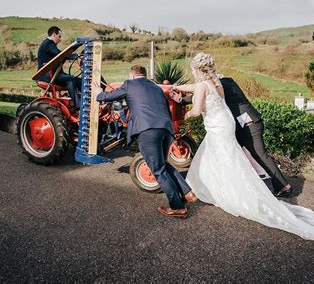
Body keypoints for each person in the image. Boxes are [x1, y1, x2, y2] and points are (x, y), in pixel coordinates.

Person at [172, 52, 314, 265]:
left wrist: (187, 111)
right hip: (227, 123)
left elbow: (197, 102)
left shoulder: (212, 83)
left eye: (193, 70)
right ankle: (224, 187)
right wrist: (175, 89)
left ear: (198, 70)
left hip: (235, 123)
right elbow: (198, 90)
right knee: (228, 158)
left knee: (249, 156)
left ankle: (270, 187)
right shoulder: (216, 82)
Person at [94, 65, 197, 219]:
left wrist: (98, 94)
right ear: (145, 74)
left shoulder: (129, 84)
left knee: (157, 170)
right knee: (163, 164)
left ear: (132, 75)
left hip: (148, 130)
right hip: (166, 129)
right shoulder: (156, 87)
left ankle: (178, 207)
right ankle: (188, 193)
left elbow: (107, 97)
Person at [171, 74, 292, 197]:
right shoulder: (222, 82)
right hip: (239, 126)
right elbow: (201, 93)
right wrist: (179, 93)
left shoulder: (220, 84)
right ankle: (233, 187)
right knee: (232, 156)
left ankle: (284, 186)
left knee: (260, 155)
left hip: (248, 124)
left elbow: (199, 92)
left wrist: (178, 95)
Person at [37, 26, 81, 108]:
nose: (60, 39)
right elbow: (59, 54)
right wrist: (74, 55)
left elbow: (60, 56)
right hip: (46, 76)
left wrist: (74, 56)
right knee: (70, 79)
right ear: (54, 34)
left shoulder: (49, 44)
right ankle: (79, 106)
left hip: (53, 74)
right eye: (59, 36)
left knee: (79, 80)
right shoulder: (48, 43)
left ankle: (85, 100)